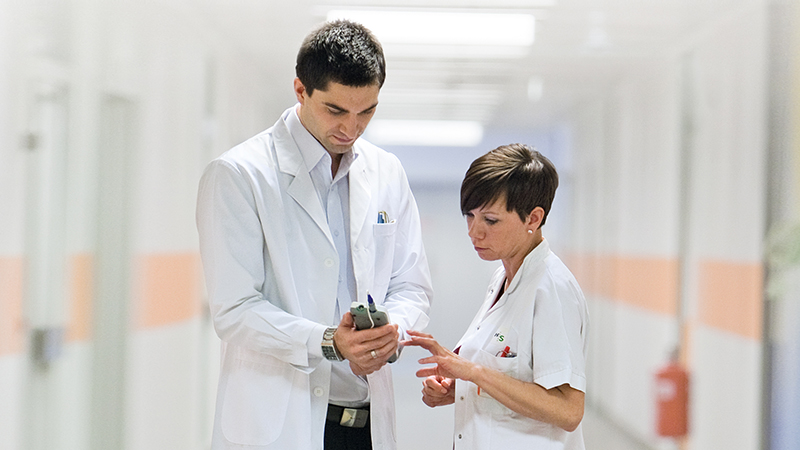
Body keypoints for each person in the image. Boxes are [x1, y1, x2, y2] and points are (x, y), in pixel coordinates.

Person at [196, 19, 433, 450]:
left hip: (365, 424)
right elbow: (234, 310)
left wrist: (389, 333)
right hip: (278, 423)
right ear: (301, 90)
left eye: (367, 111)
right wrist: (329, 342)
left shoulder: (386, 172)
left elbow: (411, 285)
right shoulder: (239, 175)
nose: (352, 128)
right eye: (336, 110)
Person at [403, 143, 588, 450]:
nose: (474, 232)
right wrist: (459, 388)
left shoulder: (551, 288)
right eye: (469, 215)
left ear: (533, 218)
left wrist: (474, 372)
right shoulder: (503, 278)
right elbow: (513, 381)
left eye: (490, 220)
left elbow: (567, 410)